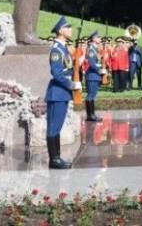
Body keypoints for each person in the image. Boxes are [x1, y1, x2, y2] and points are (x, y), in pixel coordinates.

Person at [46, 16, 83, 169]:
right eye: (68, 27)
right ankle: (54, 160)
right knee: (54, 127)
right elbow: (57, 73)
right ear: (60, 31)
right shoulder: (56, 50)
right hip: (57, 93)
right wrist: (72, 85)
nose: (71, 30)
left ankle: (56, 158)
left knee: (57, 127)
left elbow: (68, 68)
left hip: (62, 93)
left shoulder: (63, 48)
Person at [84, 31, 104, 122]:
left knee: (92, 95)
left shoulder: (94, 49)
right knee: (90, 96)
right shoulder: (91, 49)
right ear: (94, 39)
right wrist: (99, 70)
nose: (100, 38)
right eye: (98, 37)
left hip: (94, 75)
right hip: (92, 75)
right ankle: (91, 116)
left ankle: (91, 115)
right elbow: (91, 63)